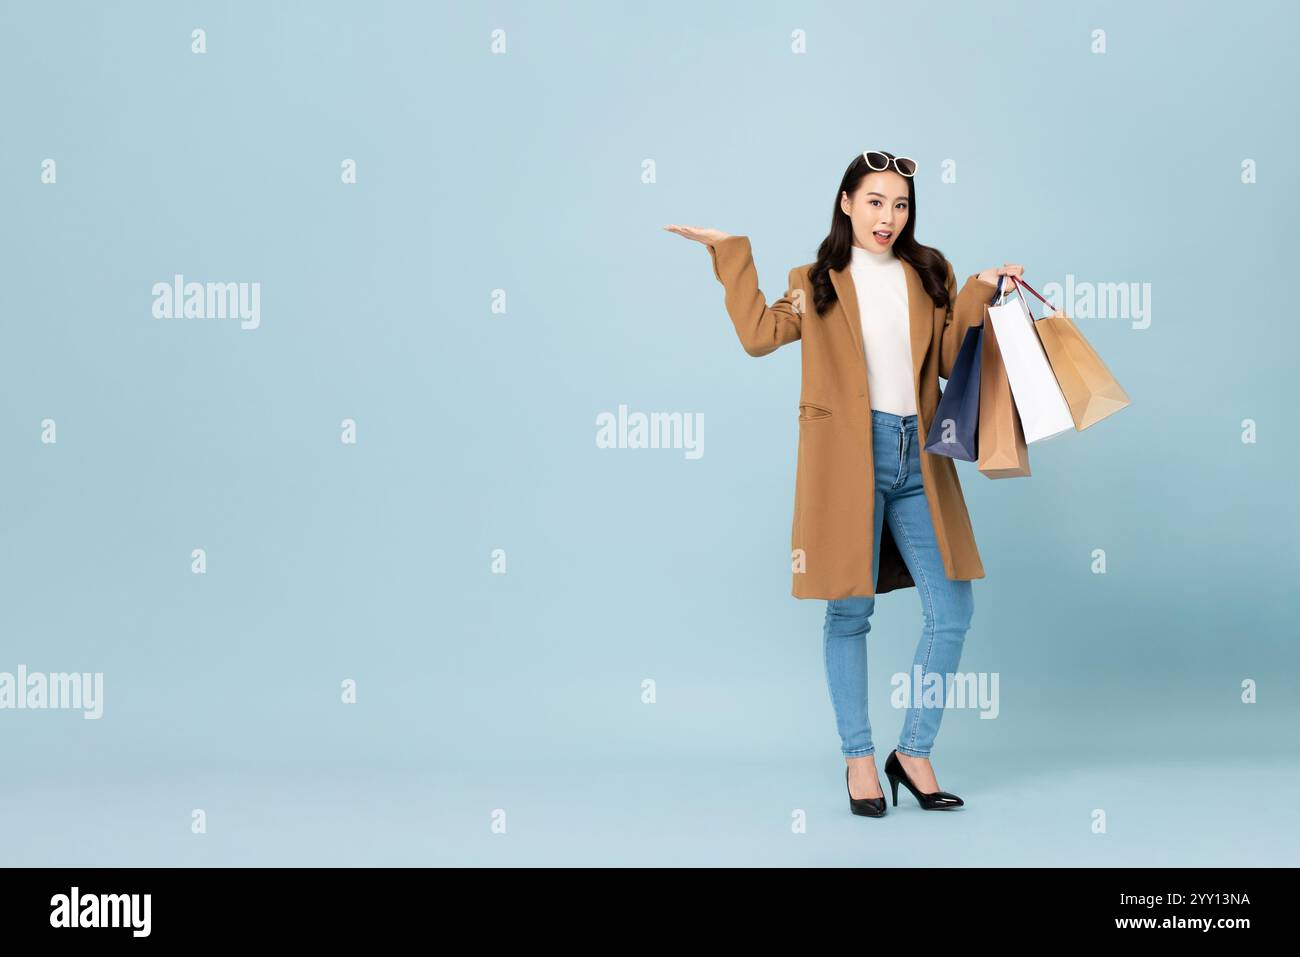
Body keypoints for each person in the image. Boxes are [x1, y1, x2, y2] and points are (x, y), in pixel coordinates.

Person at [665, 150, 1023, 817]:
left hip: (920, 457)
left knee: (952, 611)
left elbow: (948, 360)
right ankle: (860, 757)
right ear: (846, 203)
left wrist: (979, 289)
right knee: (849, 610)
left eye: (902, 204)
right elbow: (759, 335)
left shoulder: (928, 272)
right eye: (876, 202)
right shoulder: (817, 280)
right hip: (845, 460)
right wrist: (731, 252)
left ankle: (912, 752)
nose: (889, 217)